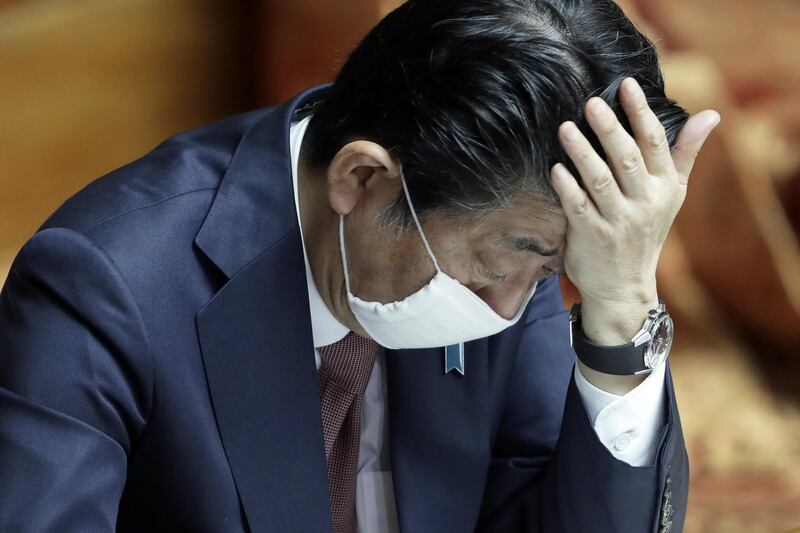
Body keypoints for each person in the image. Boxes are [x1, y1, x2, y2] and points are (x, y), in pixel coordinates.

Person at [0, 0, 719, 531]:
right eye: (502, 263)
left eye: (549, 273)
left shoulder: (515, 254)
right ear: (363, 179)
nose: (513, 306)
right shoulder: (103, 285)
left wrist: (621, 307)